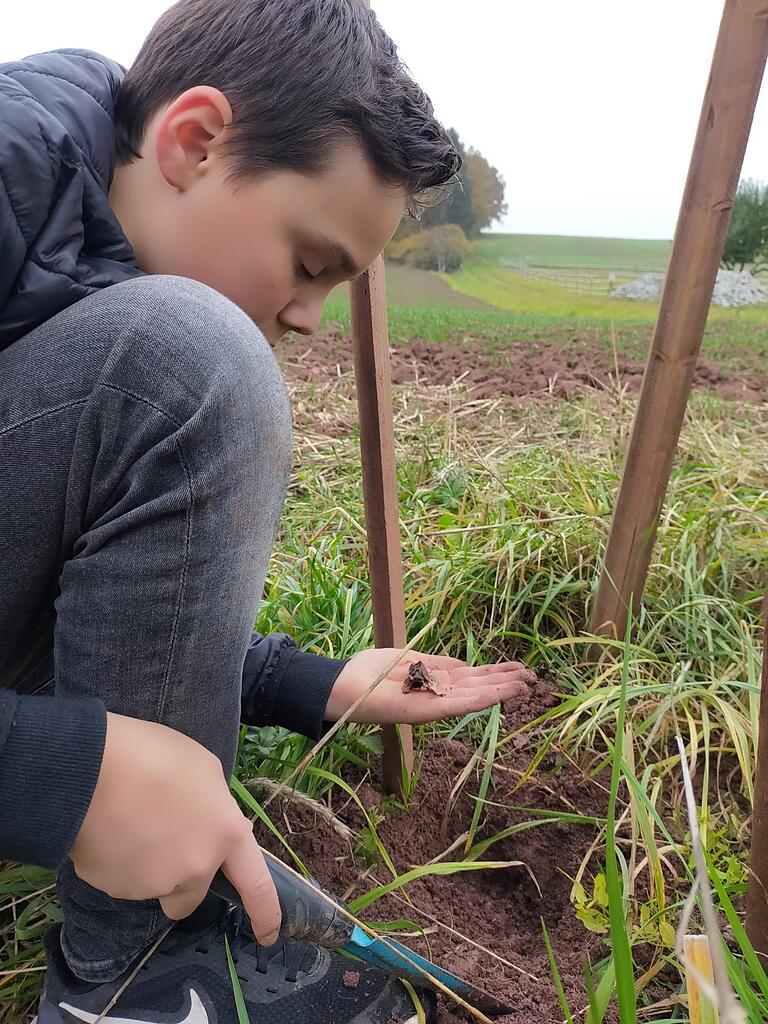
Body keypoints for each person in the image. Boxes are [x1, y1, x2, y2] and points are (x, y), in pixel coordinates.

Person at [0, 2, 534, 1021]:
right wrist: (54, 769)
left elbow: (77, 598)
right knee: (185, 359)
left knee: (172, 365)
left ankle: (152, 941)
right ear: (194, 143)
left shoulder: (82, 241)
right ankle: (142, 973)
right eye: (310, 262)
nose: (307, 316)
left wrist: (313, 682)